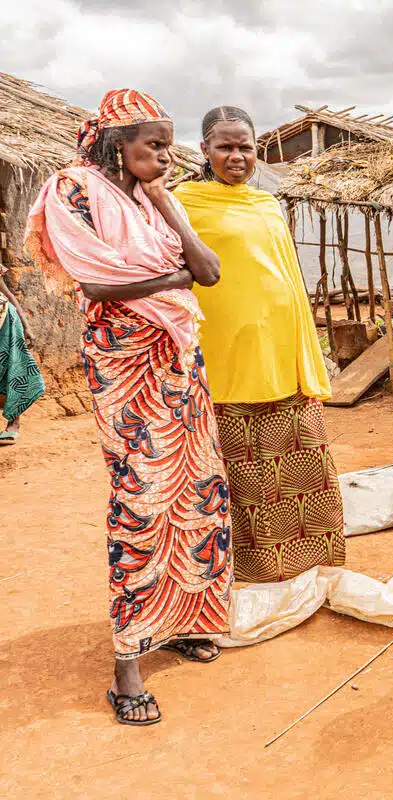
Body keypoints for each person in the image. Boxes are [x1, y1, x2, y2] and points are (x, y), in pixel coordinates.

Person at [24, 88, 229, 725]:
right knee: (140, 493)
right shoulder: (73, 189)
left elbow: (210, 270)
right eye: (156, 145)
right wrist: (173, 280)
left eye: (169, 145)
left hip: (177, 354)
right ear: (119, 144)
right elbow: (95, 282)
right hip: (123, 356)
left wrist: (166, 200)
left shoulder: (150, 197)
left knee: (195, 486)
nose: (168, 156)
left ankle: (187, 617)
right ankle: (128, 660)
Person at [174, 106, 346, 583]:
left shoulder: (266, 203)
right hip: (224, 358)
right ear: (204, 149)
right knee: (241, 471)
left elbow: (288, 278)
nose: (236, 156)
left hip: (281, 353)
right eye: (225, 147)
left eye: (245, 147)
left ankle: (308, 562)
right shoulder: (182, 203)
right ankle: (252, 569)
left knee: (305, 459)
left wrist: (305, 348)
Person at [0, 263, 46, 444]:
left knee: (14, 369)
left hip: (6, 323)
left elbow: (8, 295)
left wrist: (26, 326)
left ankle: (13, 424)